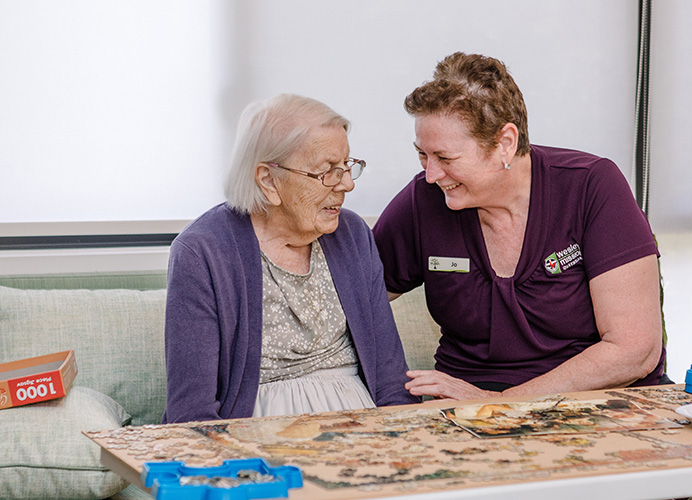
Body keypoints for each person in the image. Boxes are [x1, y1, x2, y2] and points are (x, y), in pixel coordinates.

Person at [373, 52, 666, 401]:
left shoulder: (590, 186)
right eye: (423, 155)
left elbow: (635, 349)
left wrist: (502, 403)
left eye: (446, 158)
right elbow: (353, 296)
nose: (431, 174)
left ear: (505, 143)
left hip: (594, 399)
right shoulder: (424, 201)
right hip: (465, 409)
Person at [163, 94, 418, 423]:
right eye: (328, 171)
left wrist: (405, 446)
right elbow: (192, 411)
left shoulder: (352, 234)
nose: (348, 184)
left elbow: (390, 379)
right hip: (258, 439)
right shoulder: (203, 252)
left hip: (364, 432)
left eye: (347, 166)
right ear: (268, 180)